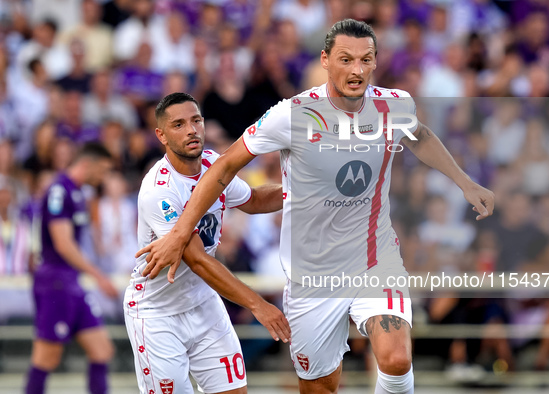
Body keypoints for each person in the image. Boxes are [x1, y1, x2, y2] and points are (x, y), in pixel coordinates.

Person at [138, 20, 494, 394]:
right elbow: (224, 166)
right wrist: (180, 232)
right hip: (311, 275)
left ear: (375, 62)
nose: (356, 70)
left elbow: (420, 136)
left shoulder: (393, 105)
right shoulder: (292, 115)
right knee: (320, 386)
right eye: (345, 59)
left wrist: (466, 183)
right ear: (325, 59)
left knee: (396, 358)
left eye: (365, 60)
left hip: (373, 259)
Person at [125, 92, 290, 394]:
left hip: (203, 304)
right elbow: (197, 260)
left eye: (196, 120)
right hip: (158, 314)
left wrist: (301, 191)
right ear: (160, 135)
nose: (191, 130)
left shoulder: (215, 164)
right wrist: (258, 305)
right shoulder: (158, 191)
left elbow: (253, 200)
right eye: (178, 124)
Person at [25, 143, 117, 394]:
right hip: (54, 282)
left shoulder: (77, 193)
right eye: (103, 170)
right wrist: (98, 276)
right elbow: (63, 244)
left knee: (102, 349)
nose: (104, 177)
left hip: (71, 281)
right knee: (46, 357)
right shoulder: (59, 191)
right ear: (87, 164)